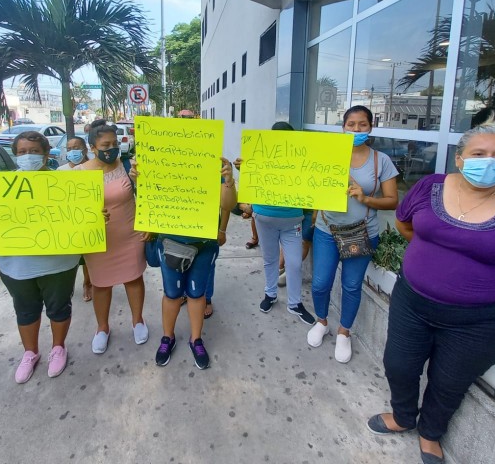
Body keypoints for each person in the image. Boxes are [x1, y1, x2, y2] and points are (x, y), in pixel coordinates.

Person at [368, 120, 495, 464]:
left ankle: (431, 433)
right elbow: (406, 224)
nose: (489, 161)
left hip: (479, 323)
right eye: (479, 153)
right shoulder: (430, 187)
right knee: (399, 365)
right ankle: (404, 416)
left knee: (448, 382)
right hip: (412, 303)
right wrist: (433, 258)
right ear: (460, 159)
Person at [0, 131, 81, 383]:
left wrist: (95, 216)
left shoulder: (65, 183)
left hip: (59, 262)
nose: (28, 156)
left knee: (59, 307)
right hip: (16, 263)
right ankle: (30, 353)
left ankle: (58, 348)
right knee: (25, 310)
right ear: (15, 155)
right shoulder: (4, 187)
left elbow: (80, 216)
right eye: (22, 152)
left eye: (34, 151)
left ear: (46, 154)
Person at [307, 105, 399, 363]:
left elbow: (393, 201)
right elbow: (296, 176)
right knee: (320, 282)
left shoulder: (381, 160)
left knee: (350, 285)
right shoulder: (327, 156)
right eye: (351, 124)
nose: (357, 129)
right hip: (327, 230)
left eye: (362, 124)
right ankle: (322, 321)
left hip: (362, 233)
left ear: (370, 128)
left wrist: (365, 197)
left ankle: (344, 332)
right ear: (343, 127)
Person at [133, 158, 237, 369]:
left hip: (203, 243)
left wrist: (228, 180)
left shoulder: (212, 164)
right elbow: (149, 198)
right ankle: (167, 337)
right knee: (172, 294)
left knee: (196, 294)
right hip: (170, 241)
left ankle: (196, 339)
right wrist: (138, 182)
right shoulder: (159, 162)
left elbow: (228, 204)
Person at [73, 120, 148, 354]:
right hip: (98, 241)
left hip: (130, 235)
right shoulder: (79, 174)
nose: (111, 148)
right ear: (93, 148)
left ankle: (138, 321)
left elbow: (146, 197)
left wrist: (140, 182)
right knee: (101, 285)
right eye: (105, 144)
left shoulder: (128, 165)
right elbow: (70, 209)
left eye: (115, 143)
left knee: (134, 279)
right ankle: (102, 327)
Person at [239, 121, 315, 325]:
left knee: (294, 262)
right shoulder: (261, 158)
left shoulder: (301, 160)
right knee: (270, 259)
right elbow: (252, 184)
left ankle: (295, 302)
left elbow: (314, 186)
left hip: (293, 222)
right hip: (264, 219)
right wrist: (244, 169)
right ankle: (270, 294)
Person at [59, 135, 93, 302]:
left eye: (76, 147)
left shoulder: (92, 168)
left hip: (88, 219)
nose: (72, 151)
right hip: (67, 221)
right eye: (69, 148)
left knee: (88, 257)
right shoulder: (60, 171)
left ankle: (88, 283)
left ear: (85, 150)